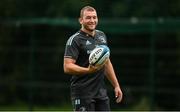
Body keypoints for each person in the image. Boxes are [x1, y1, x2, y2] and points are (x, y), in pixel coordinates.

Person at [63, 5, 123, 111]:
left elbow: (106, 62)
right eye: (88, 18)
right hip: (82, 92)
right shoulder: (75, 40)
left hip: (101, 92)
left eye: (94, 17)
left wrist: (116, 85)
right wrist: (88, 70)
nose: (92, 20)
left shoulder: (101, 36)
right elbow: (67, 67)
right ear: (80, 20)